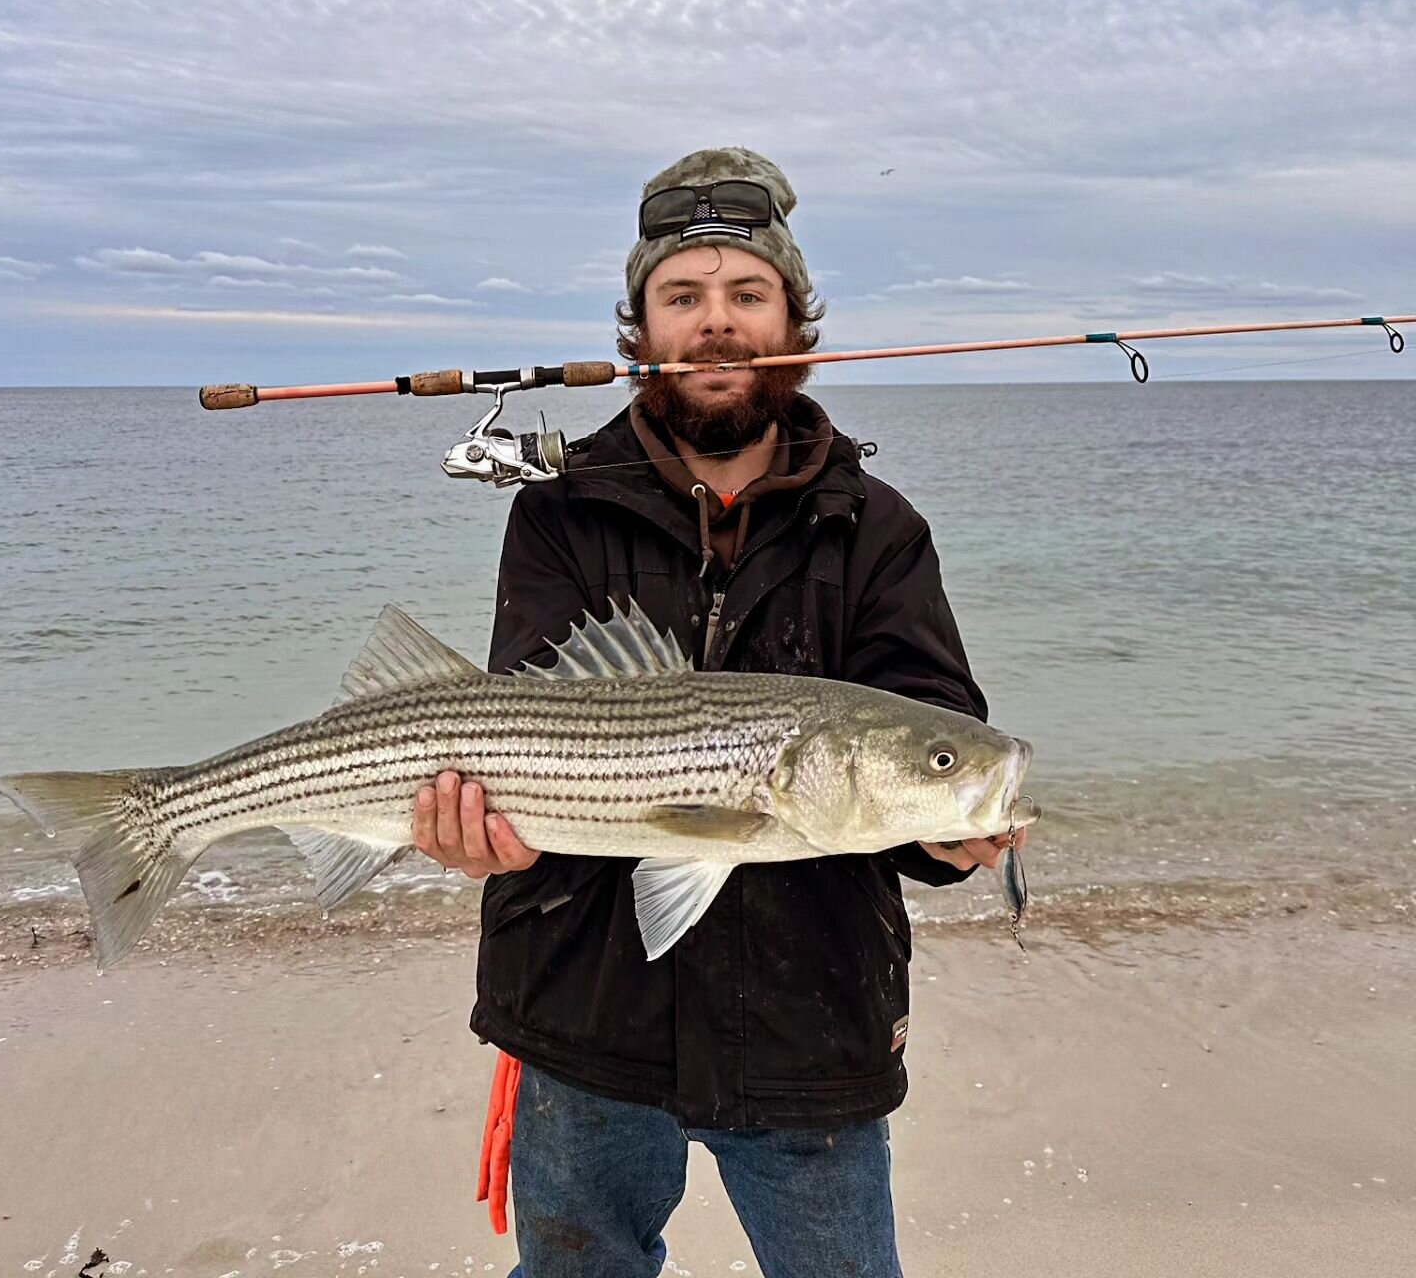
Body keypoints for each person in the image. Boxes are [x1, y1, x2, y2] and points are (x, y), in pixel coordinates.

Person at [411, 147, 1026, 1278]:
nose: (718, 324)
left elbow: (932, 730)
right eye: (681, 298)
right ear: (639, 330)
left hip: (813, 1027)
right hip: (579, 1012)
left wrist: (950, 830)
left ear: (795, 317)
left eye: (749, 294)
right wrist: (472, 837)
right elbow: (522, 736)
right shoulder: (560, 515)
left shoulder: (878, 528)